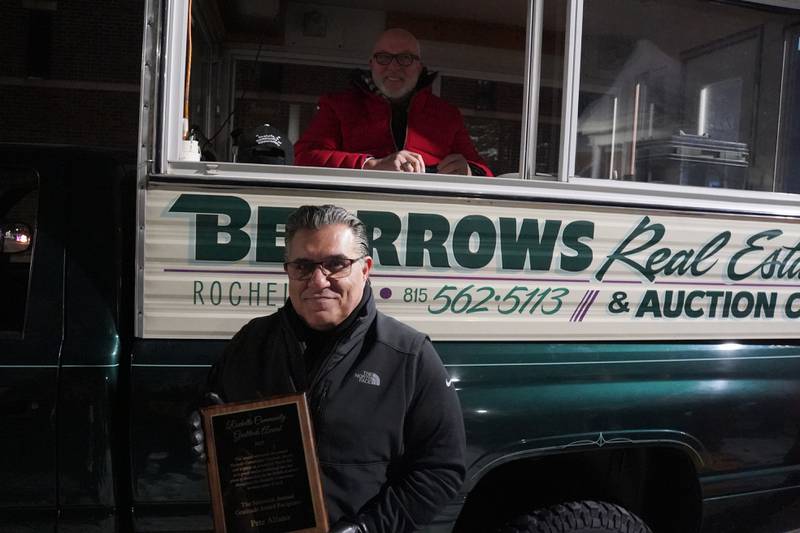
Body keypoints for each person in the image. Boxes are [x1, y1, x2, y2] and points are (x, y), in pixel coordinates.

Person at [204, 205, 467, 533]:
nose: (318, 280)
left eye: (335, 264)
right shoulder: (252, 341)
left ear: (365, 268)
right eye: (303, 266)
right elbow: (212, 401)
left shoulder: (408, 355)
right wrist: (204, 426)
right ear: (288, 271)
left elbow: (441, 470)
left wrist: (368, 528)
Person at [294, 28, 493, 177]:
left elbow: (485, 172)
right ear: (371, 64)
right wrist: (371, 165)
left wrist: (468, 171)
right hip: (352, 219)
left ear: (419, 67)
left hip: (426, 220)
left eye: (405, 58)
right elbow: (304, 157)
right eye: (384, 58)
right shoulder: (338, 106)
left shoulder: (447, 115)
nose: (394, 67)